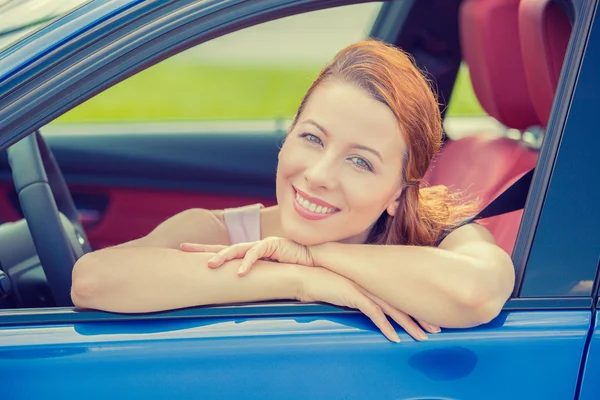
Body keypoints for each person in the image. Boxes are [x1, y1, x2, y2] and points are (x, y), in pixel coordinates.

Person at [71, 40, 515, 343]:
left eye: (360, 161)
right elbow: (94, 281)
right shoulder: (218, 230)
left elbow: (478, 292)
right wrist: (299, 279)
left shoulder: (446, 239)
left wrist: (313, 254)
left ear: (400, 192)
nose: (320, 174)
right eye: (312, 138)